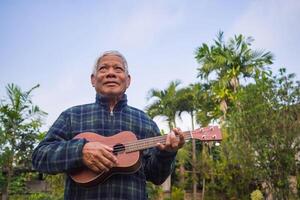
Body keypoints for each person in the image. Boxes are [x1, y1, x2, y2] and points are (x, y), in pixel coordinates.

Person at [32, 50, 185, 200]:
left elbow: (157, 176)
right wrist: (79, 151)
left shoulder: (146, 122)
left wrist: (167, 153)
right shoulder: (72, 116)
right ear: (93, 79)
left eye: (118, 69)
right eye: (103, 68)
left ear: (128, 80)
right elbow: (39, 157)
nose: (111, 73)